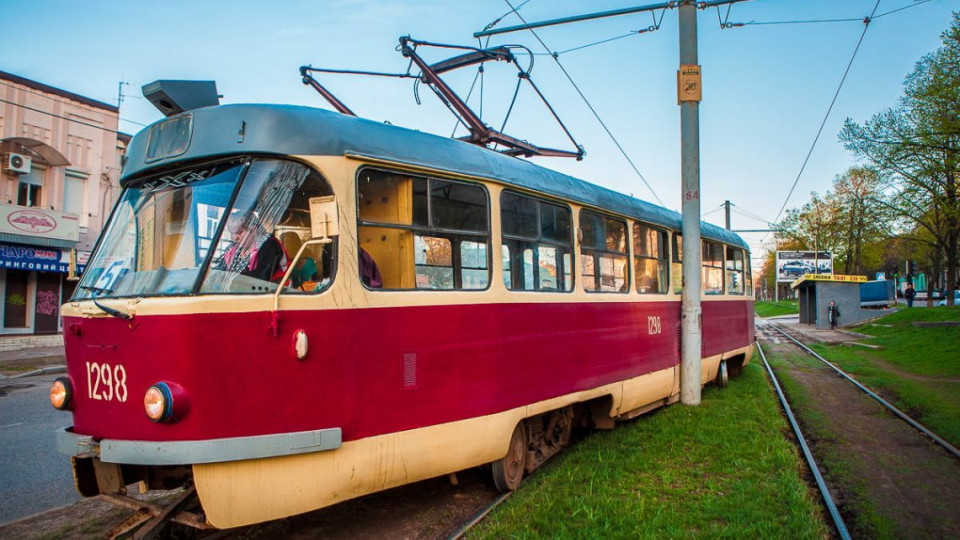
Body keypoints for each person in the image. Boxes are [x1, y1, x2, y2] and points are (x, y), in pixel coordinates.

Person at [221, 210, 288, 282]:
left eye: (239, 232)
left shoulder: (270, 246)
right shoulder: (232, 251)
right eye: (232, 234)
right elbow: (221, 270)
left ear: (253, 230)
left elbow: (261, 278)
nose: (235, 238)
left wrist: (230, 278)